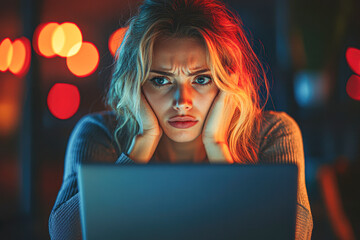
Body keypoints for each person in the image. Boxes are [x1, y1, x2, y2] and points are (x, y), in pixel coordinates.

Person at [48, 0, 313, 239]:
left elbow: (295, 234)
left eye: (201, 79)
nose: (182, 101)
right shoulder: (100, 133)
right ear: (135, 84)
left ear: (226, 83)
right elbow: (64, 232)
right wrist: (141, 143)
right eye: (161, 80)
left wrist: (217, 146)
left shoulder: (273, 132)